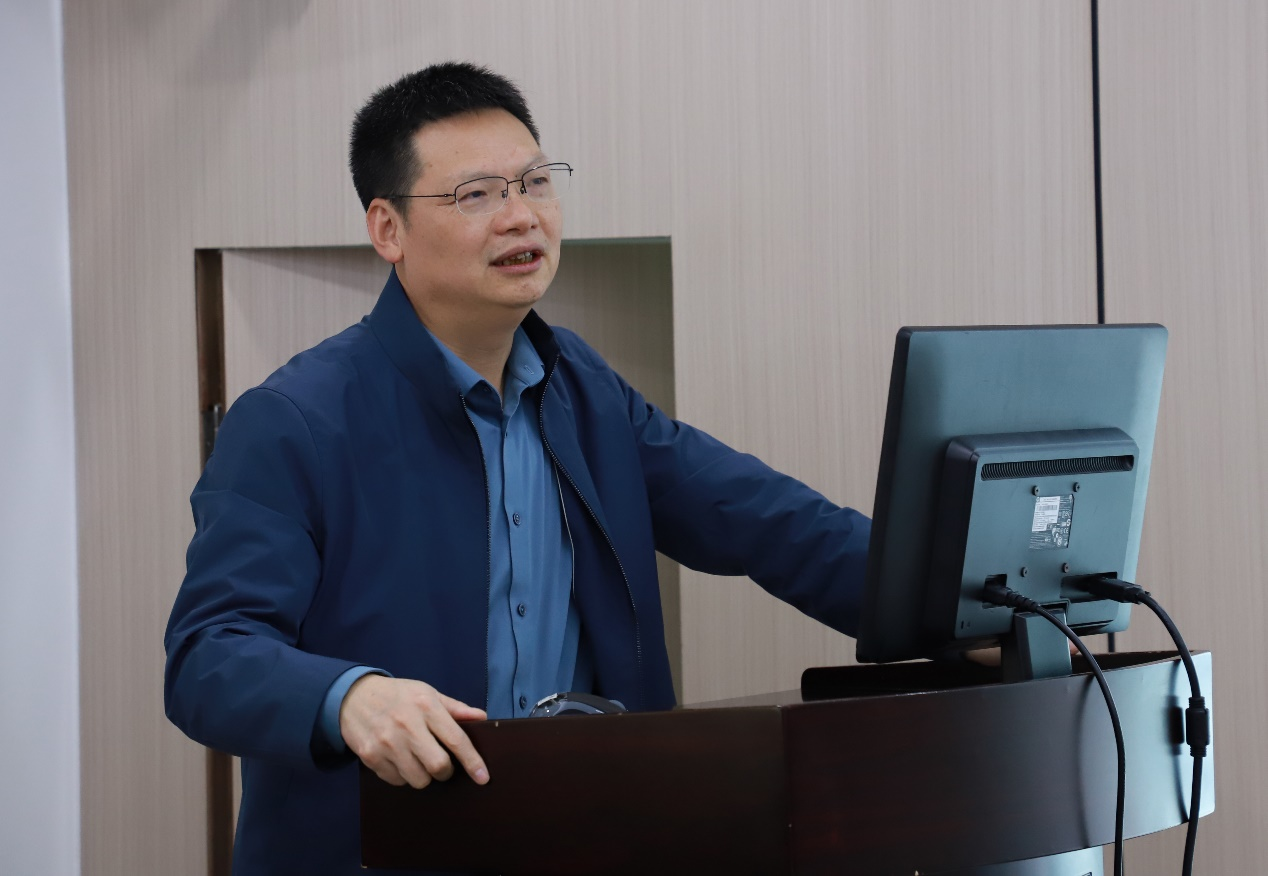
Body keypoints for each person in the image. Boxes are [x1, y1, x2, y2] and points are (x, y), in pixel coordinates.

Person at [164, 62, 871, 875]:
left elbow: (771, 523)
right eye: (475, 195)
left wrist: (952, 606)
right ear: (388, 229)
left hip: (583, 836)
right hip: (382, 849)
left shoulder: (584, 389)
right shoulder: (293, 420)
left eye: (536, 183)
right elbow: (209, 656)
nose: (521, 216)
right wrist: (350, 696)